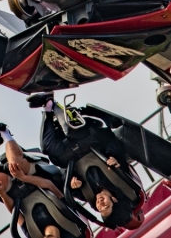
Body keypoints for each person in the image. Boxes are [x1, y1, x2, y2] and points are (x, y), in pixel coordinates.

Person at [29, 94, 145, 230]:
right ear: (114, 200)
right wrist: (113, 157)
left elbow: (67, 181)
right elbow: (114, 145)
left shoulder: (89, 198)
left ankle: (47, 107)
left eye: (100, 209)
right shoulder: (124, 183)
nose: (100, 203)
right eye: (106, 205)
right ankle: (55, 104)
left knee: (48, 147)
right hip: (91, 141)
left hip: (73, 154)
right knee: (72, 131)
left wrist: (72, 183)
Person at [0, 120, 69, 238]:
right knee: (16, 164)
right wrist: (23, 177)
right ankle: (4, 132)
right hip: (40, 176)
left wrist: (2, 194)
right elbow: (50, 185)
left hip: (19, 190)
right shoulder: (68, 224)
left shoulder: (32, 234)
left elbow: (15, 212)